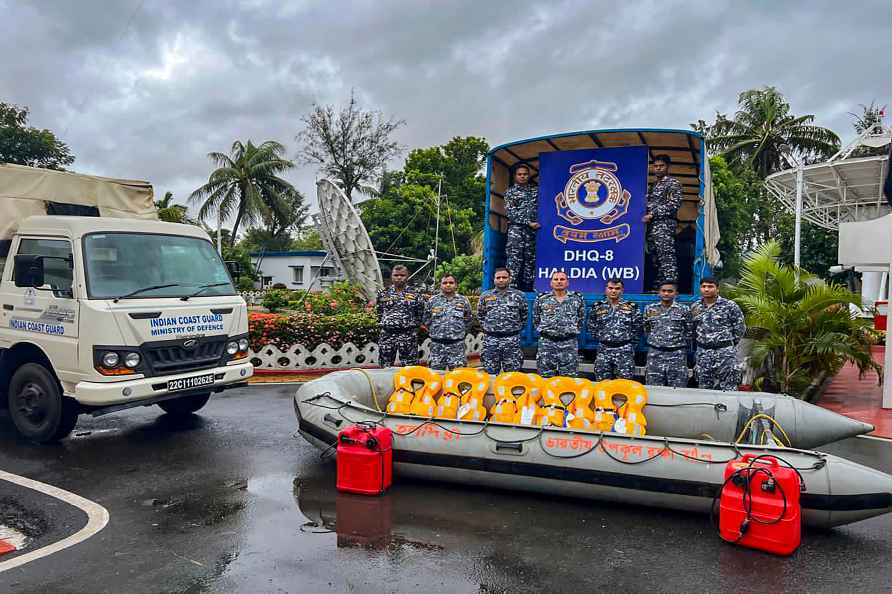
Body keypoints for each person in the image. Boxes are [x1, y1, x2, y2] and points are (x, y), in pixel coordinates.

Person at [691, 277, 746, 390]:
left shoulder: (730, 306)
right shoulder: (695, 307)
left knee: (728, 386)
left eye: (710, 286)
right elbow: (693, 329)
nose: (706, 289)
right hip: (703, 353)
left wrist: (728, 345)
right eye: (703, 286)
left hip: (724, 352)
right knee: (704, 387)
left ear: (717, 289)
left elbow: (740, 328)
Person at [587, 278, 643, 381]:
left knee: (624, 384)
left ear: (622, 290)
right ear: (606, 289)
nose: (613, 291)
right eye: (610, 288)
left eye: (617, 288)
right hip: (604, 349)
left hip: (624, 350)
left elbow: (638, 328)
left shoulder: (632, 307)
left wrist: (629, 344)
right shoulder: (597, 307)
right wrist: (602, 338)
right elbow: (591, 326)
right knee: (602, 383)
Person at [534, 271, 586, 378]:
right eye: (556, 279)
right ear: (551, 283)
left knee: (568, 379)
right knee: (545, 377)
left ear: (567, 282)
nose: (559, 282)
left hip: (569, 343)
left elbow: (581, 319)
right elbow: (536, 319)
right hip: (547, 343)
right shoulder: (542, 299)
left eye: (562, 279)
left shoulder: (577, 299)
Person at [642, 154, 683, 289]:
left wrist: (653, 214)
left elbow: (674, 204)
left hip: (664, 226)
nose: (658, 169)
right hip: (651, 228)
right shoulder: (653, 186)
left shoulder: (673, 183)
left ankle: (671, 288)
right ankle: (659, 288)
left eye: (661, 166)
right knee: (655, 259)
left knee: (667, 258)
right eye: (656, 166)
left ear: (667, 167)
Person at [477, 268, 528, 374]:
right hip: (491, 340)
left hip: (511, 340)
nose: (501, 280)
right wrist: (489, 329)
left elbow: (524, 316)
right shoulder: (485, 296)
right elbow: (481, 315)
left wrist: (512, 330)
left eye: (504, 277)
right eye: (498, 277)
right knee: (490, 373)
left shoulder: (519, 296)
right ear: (494, 279)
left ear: (509, 279)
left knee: (512, 375)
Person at [644, 280, 691, 387]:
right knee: (653, 388)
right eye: (663, 291)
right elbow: (646, 329)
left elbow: (689, 331)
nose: (666, 293)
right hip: (655, 354)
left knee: (678, 388)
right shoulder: (649, 309)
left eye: (670, 291)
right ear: (659, 293)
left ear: (676, 293)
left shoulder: (684, 310)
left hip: (677, 355)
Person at [376, 265, 423, 367]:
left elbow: (419, 313)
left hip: (408, 335)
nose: (399, 277)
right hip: (387, 335)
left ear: (407, 276)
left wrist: (413, 328)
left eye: (402, 275)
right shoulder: (383, 293)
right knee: (385, 366)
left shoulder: (415, 293)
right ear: (391, 276)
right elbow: (379, 312)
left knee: (410, 367)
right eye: (396, 275)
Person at [423, 274, 473, 370]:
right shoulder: (433, 301)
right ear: (440, 285)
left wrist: (459, 333)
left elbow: (468, 319)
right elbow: (426, 319)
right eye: (445, 283)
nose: (448, 285)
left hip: (457, 346)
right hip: (437, 346)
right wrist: (435, 331)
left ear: (456, 285)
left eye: (451, 282)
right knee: (435, 376)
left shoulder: (463, 300)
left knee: (457, 377)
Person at [504, 163, 540, 291]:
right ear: (515, 176)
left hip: (532, 232)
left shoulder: (535, 190)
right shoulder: (510, 192)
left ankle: (528, 288)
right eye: (520, 174)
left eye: (525, 174)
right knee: (514, 260)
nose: (523, 177)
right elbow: (510, 213)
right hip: (516, 231)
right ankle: (511, 288)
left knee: (531, 260)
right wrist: (528, 222)